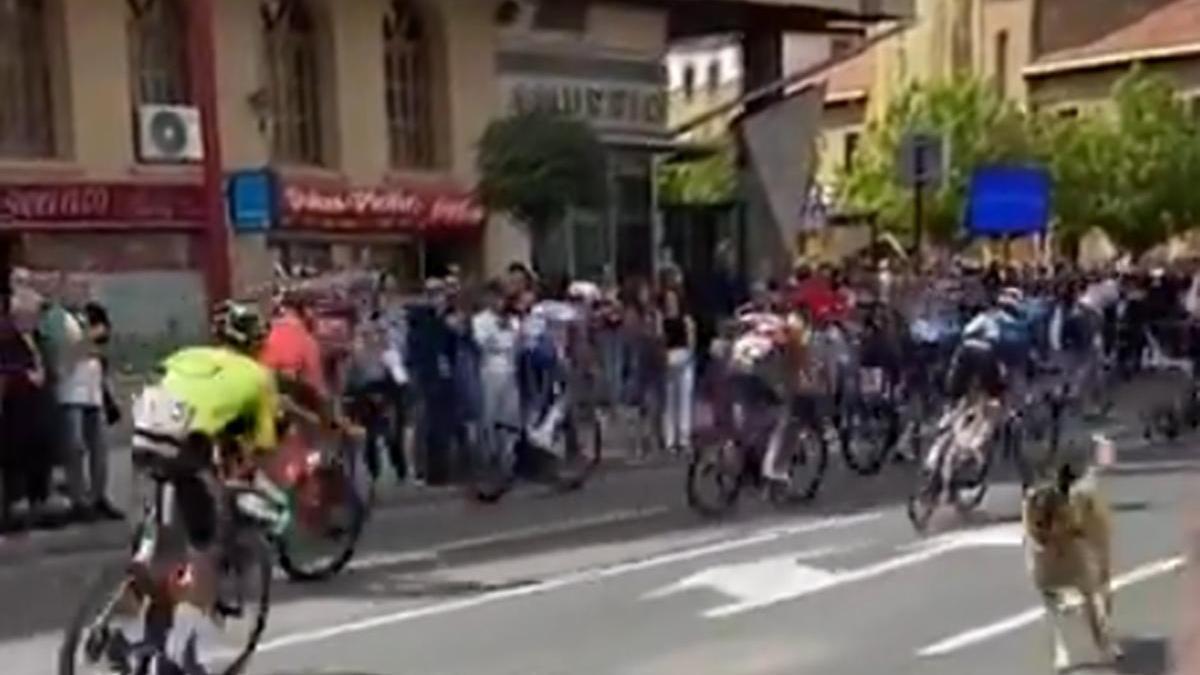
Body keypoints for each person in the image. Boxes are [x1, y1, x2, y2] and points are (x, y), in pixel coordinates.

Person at [658, 288, 696, 455]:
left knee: (684, 399)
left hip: (684, 357)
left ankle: (683, 437)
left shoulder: (685, 319)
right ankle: (670, 439)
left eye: (672, 300)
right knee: (670, 400)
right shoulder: (661, 319)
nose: (670, 303)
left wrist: (689, 355)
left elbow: (691, 339)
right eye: (667, 300)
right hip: (668, 358)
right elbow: (659, 339)